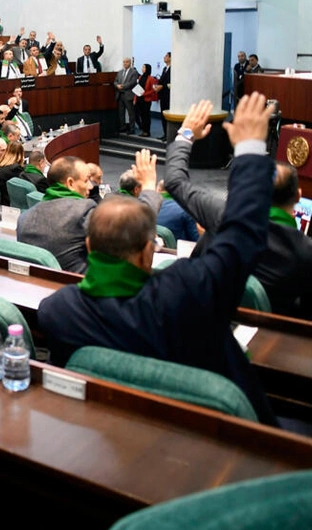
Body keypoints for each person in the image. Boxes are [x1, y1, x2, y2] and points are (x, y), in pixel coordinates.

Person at [37, 94, 279, 426]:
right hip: (216, 436)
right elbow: (241, 234)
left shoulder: (56, 311)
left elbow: (242, 234)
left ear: (89, 246)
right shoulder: (188, 290)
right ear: (148, 250)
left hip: (112, 428)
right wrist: (248, 149)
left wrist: (244, 147)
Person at [165, 99, 312, 320]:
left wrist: (185, 135)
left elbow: (175, 181)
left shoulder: (222, 216)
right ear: (298, 196)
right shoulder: (304, 250)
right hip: (269, 336)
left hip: (209, 321)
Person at [17, 153, 161, 274]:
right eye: (86, 180)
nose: (91, 186)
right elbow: (135, 231)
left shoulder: (24, 217)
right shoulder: (82, 210)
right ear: (70, 183)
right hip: (81, 290)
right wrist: (148, 187)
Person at [115, 57, 139, 134]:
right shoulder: (120, 72)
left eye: (127, 62)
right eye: (124, 62)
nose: (125, 63)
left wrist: (122, 86)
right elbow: (115, 81)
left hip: (128, 95)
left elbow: (133, 82)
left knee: (131, 113)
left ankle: (132, 129)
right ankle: (123, 127)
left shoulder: (134, 72)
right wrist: (117, 85)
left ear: (130, 63)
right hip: (120, 95)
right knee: (121, 113)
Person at [134, 63, 157, 137]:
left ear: (147, 69)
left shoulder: (151, 78)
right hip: (139, 99)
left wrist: (145, 94)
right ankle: (143, 130)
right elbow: (137, 88)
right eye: (142, 67)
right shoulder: (140, 77)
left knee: (146, 116)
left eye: (144, 67)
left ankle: (147, 131)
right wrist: (135, 99)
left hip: (146, 100)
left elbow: (153, 90)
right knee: (141, 115)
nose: (142, 69)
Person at [154, 52, 171, 139]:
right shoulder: (164, 68)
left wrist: (162, 86)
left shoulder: (173, 69)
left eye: (166, 56)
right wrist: (157, 86)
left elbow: (170, 82)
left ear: (171, 58)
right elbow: (161, 80)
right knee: (163, 115)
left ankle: (169, 134)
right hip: (162, 95)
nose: (164, 57)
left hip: (168, 95)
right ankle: (165, 133)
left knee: (167, 115)